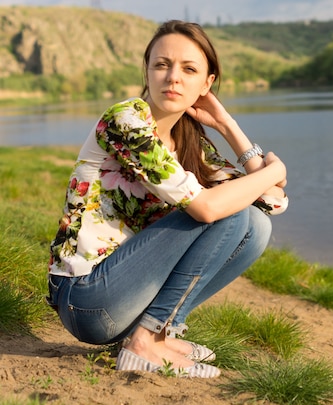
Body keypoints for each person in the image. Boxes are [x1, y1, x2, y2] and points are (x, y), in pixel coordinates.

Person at [46, 20, 288, 378]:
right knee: (228, 213)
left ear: (207, 84)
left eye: (189, 69)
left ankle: (154, 332)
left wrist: (226, 124)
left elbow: (272, 201)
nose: (173, 77)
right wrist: (273, 169)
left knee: (256, 225)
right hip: (84, 297)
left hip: (124, 296)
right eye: (162, 65)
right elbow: (210, 207)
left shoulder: (188, 143)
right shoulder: (127, 120)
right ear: (147, 70)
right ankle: (146, 341)